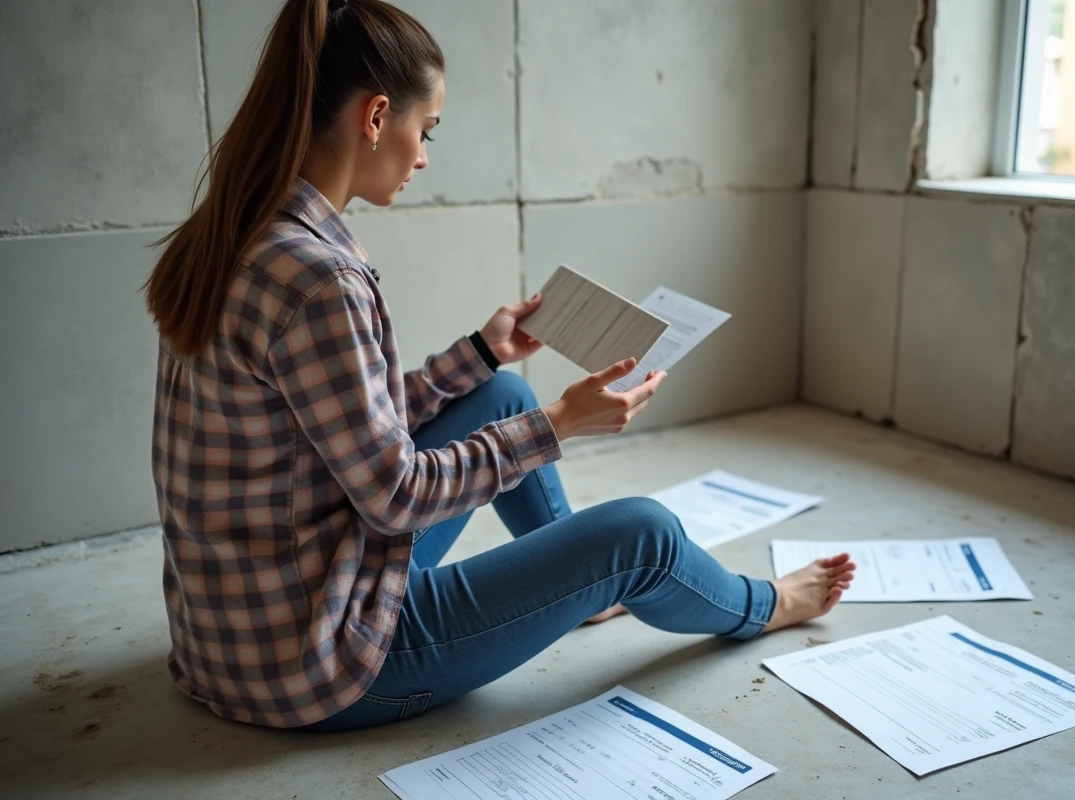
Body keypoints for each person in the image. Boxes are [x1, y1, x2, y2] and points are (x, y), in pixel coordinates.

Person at [142, 0, 855, 733]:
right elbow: (397, 496)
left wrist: (479, 355)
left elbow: (342, 425)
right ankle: (765, 605)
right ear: (377, 116)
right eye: (426, 131)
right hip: (325, 663)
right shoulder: (322, 279)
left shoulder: (237, 235)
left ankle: (590, 593)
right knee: (642, 532)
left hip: (232, 640)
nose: (423, 157)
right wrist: (561, 422)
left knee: (502, 390)